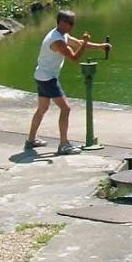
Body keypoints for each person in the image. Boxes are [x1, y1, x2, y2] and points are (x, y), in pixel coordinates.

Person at [25, 10, 111, 155]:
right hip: (48, 79)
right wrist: (84, 43)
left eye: (73, 23)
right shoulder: (57, 40)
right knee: (66, 109)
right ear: (62, 22)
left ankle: (31, 140)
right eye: (70, 23)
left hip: (41, 76)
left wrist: (100, 46)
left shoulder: (60, 34)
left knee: (42, 109)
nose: (72, 26)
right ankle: (64, 144)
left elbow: (76, 43)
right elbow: (74, 57)